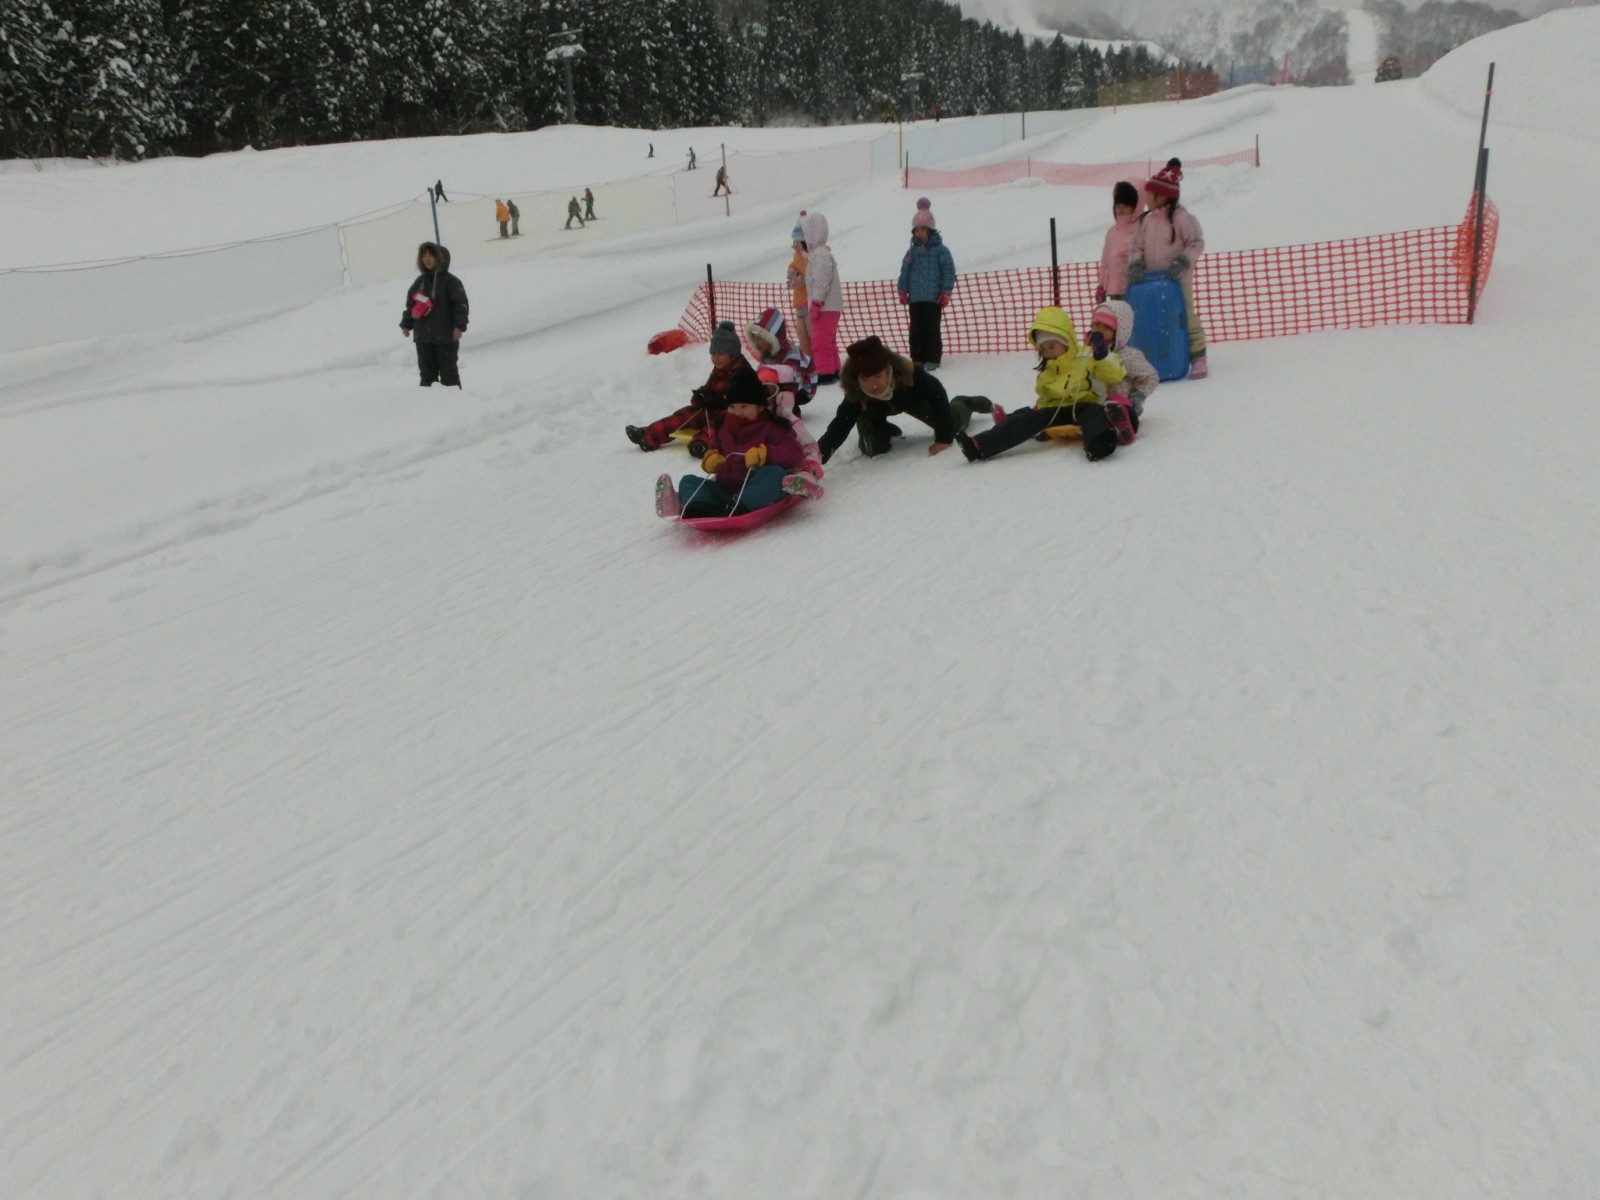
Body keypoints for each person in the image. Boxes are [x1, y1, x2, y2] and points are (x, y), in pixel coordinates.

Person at [953, 307, 1125, 464]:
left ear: (1066, 340)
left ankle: (1099, 445)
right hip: (1054, 411)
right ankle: (978, 446)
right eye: (1043, 349)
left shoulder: (1088, 354)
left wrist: (1102, 356)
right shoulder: (1048, 370)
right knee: (1027, 419)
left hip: (1084, 405)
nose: (1048, 352)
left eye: (1051, 346)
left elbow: (1115, 375)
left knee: (1095, 414)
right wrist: (1036, 414)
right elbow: (1044, 396)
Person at [655, 370, 807, 518]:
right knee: (688, 481)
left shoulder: (772, 427)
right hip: (726, 489)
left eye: (744, 406)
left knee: (774, 474)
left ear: (760, 407)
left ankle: (740, 505)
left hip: (756, 487)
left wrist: (765, 454)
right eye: (732, 407)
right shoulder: (723, 427)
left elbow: (794, 453)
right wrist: (711, 459)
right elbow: (714, 448)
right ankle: (699, 507)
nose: (737, 412)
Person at [815, 335, 955, 464]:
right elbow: (839, 426)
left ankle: (963, 403)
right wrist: (817, 457)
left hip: (911, 401)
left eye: (878, 376)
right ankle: (883, 429)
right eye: (865, 379)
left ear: (887, 370)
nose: (873, 385)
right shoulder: (855, 391)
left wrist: (944, 438)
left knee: (951, 424)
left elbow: (937, 394)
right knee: (874, 448)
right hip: (872, 412)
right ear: (857, 379)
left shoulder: (907, 372)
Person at [1128, 158, 1208, 378]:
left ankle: (1198, 356)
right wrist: (1135, 264)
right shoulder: (1147, 221)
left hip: (1177, 281)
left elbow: (1196, 243)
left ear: (1162, 196)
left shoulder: (1182, 218)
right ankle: (1161, 354)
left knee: (1184, 316)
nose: (1146, 199)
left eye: (1150, 195)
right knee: (1156, 318)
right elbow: (1136, 246)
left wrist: (1182, 263)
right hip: (1150, 283)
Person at [627, 321, 760, 451]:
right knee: (685, 414)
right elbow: (709, 388)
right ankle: (648, 435)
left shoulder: (742, 372)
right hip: (714, 410)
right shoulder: (720, 370)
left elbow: (739, 402)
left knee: (719, 423)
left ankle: (702, 443)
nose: (716, 358)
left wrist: (716, 400)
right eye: (713, 354)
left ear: (732, 355)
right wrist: (701, 396)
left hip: (735, 415)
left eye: (720, 354)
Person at [897, 197, 956, 371]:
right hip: (915, 298)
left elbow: (948, 271)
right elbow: (905, 270)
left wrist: (946, 291)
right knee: (916, 330)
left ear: (930, 230)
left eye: (923, 229)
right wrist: (902, 290)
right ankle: (917, 358)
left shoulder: (941, 251)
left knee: (931, 329)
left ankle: (932, 358)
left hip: (933, 298)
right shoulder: (912, 252)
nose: (919, 233)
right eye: (917, 230)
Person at [399, 242, 468, 388]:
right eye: (424, 255)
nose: (427, 259)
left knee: (449, 376)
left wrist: (459, 326)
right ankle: (428, 402)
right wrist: (406, 324)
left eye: (431, 255)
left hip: (445, 336)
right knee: (427, 377)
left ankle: (454, 400)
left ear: (440, 258)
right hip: (423, 337)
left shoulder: (451, 282)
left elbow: (460, 306)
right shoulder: (419, 283)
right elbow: (410, 306)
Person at [1092, 300, 1159, 434]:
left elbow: (1150, 376)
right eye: (1096, 324)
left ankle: (1123, 424)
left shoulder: (1127, 355)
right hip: (1095, 400)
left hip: (1120, 401)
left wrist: (1138, 396)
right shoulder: (1087, 352)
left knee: (1117, 406)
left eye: (1106, 327)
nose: (1099, 330)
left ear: (1119, 331)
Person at [800, 211, 843, 382]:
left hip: (825, 307)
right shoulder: (818, 255)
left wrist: (816, 302)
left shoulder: (820, 256)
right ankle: (834, 368)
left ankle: (824, 373)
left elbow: (821, 280)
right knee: (828, 340)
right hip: (828, 306)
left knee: (820, 341)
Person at [743, 307, 816, 404]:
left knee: (782, 390)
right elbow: (764, 371)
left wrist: (785, 400)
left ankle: (788, 405)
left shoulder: (791, 355)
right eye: (754, 340)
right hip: (783, 379)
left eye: (760, 340)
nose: (756, 344)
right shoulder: (768, 350)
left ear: (771, 339)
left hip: (803, 389)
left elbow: (795, 381)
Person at [1096, 180, 1142, 304]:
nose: (1121, 210)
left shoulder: (1139, 228)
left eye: (1125, 206)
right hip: (1112, 289)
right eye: (1118, 206)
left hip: (1131, 287)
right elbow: (1105, 262)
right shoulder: (1112, 232)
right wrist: (1101, 285)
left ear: (1133, 207)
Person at [786, 215, 813, 357]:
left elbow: (812, 275)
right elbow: (794, 265)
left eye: (798, 241)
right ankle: (807, 361)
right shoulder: (797, 256)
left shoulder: (810, 256)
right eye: (794, 241)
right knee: (802, 337)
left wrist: (800, 280)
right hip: (799, 302)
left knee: (812, 335)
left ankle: (816, 360)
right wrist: (791, 271)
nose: (795, 244)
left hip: (809, 302)